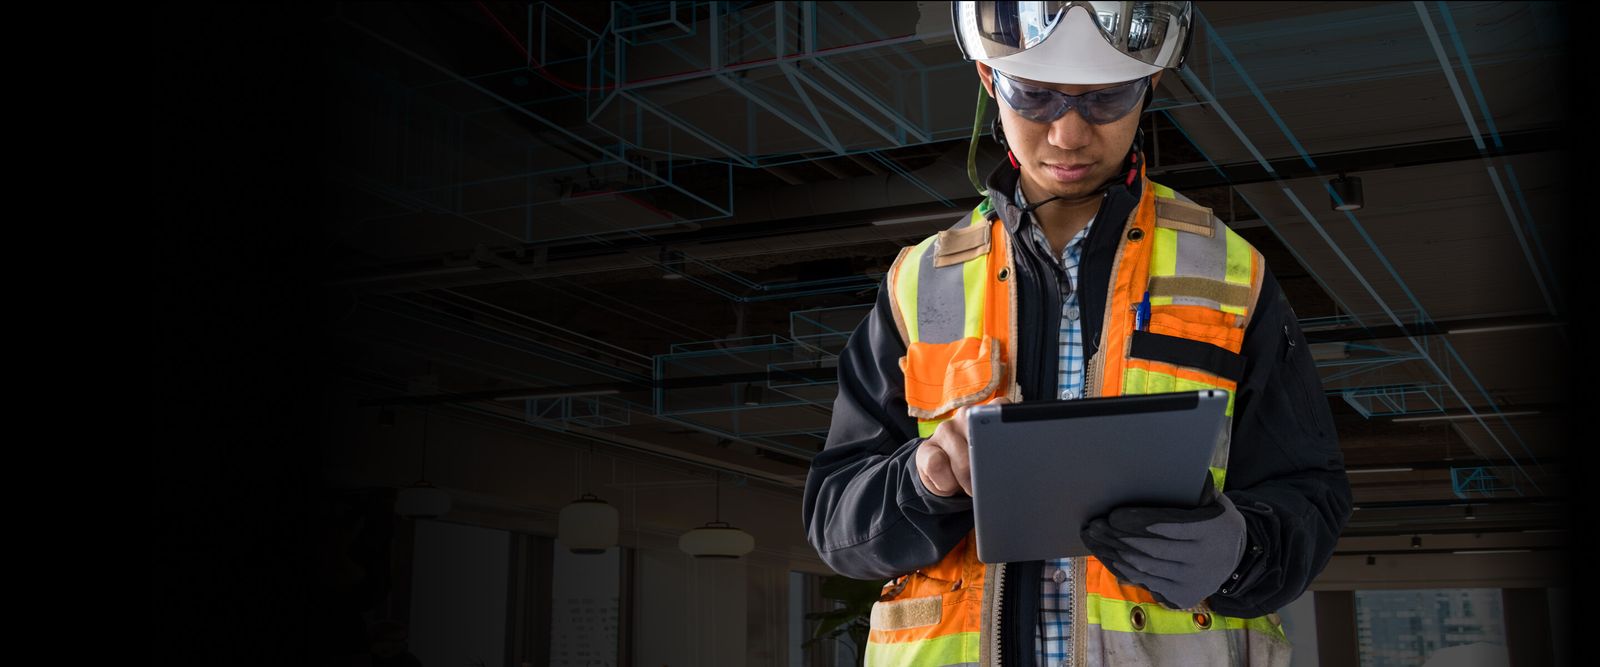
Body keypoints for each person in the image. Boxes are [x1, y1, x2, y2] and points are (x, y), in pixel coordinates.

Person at [800, 2, 1353, 665]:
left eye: (1104, 99)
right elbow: (836, 523)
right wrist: (923, 479)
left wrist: (1242, 550)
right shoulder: (918, 285)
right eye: (1034, 97)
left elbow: (1311, 495)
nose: (1067, 134)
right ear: (988, 79)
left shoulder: (1232, 274)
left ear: (1148, 84)